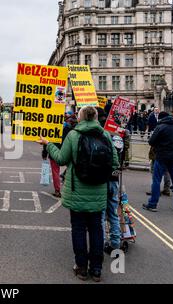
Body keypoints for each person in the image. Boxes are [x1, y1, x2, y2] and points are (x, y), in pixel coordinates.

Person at [38, 106, 119, 282]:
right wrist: (100, 174)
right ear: (96, 118)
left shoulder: (74, 136)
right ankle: (96, 270)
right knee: (97, 229)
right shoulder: (105, 135)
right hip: (98, 191)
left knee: (79, 229)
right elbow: (114, 162)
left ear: (80, 118)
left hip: (76, 191)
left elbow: (61, 159)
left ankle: (81, 267)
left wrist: (48, 144)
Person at [143, 111, 173, 214]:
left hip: (161, 156)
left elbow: (151, 141)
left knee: (157, 180)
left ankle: (153, 204)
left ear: (161, 118)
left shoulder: (160, 127)